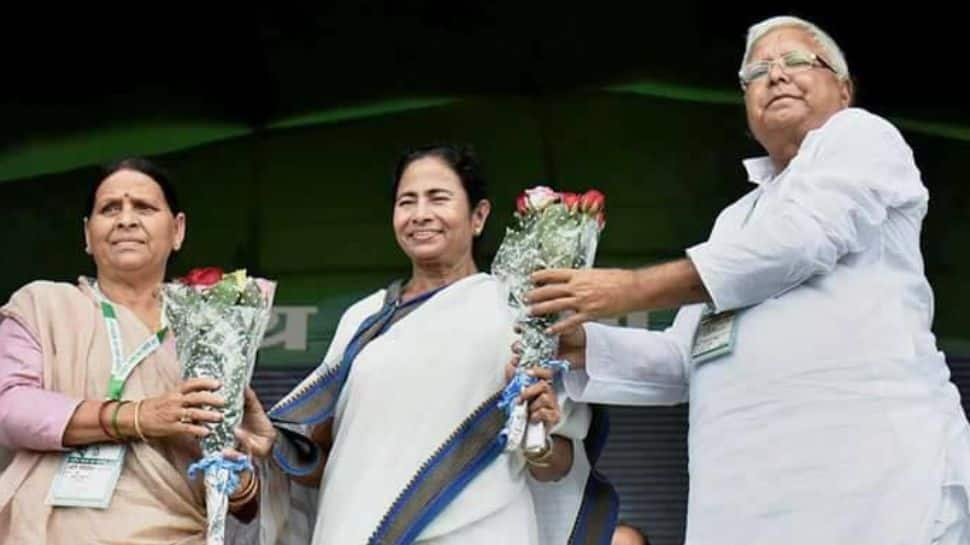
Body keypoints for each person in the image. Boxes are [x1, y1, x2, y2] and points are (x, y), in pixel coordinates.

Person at [526, 16, 970, 545]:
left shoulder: (862, 137)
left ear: (844, 89)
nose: (777, 75)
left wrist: (628, 289)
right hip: (744, 498)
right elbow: (684, 359)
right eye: (758, 70)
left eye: (799, 60)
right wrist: (579, 345)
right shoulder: (735, 220)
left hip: (869, 478)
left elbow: (800, 239)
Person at [236, 145, 615, 544]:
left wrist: (540, 435)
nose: (420, 214)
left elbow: (559, 465)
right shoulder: (362, 318)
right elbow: (323, 459)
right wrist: (274, 442)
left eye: (438, 198)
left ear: (479, 215)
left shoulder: (519, 310)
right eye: (406, 202)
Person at [0, 158, 260, 544]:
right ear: (88, 235)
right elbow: (10, 407)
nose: (125, 219)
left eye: (144, 207)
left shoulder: (210, 331)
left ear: (177, 230)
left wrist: (242, 484)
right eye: (109, 209)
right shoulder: (43, 305)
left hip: (173, 532)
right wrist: (137, 416)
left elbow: (232, 474)